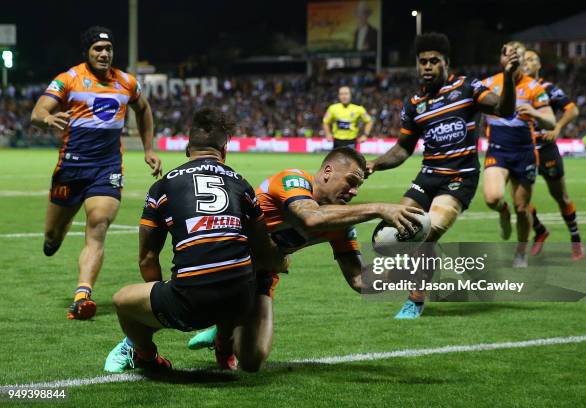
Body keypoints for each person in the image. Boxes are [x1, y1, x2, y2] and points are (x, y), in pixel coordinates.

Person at [188, 147, 425, 371]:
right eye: (351, 182)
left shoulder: (340, 224)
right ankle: (224, 333)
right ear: (327, 172)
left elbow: (359, 278)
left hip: (262, 272)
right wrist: (378, 208)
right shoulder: (294, 180)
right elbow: (311, 218)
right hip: (225, 261)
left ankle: (226, 325)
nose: (354, 192)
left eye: (358, 186)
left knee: (251, 361)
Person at [104, 108, 286, 373]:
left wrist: (159, 301)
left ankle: (145, 355)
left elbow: (147, 258)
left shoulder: (162, 187)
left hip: (189, 303)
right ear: (224, 151)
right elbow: (261, 249)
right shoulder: (242, 185)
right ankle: (224, 344)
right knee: (232, 274)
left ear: (188, 149)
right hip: (241, 301)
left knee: (122, 301)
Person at [366, 32, 519, 319]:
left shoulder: (469, 88)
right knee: (399, 228)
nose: (427, 66)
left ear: (447, 63)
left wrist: (508, 77)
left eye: (434, 61)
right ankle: (405, 275)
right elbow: (402, 149)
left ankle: (415, 299)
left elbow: (505, 109)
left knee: (426, 235)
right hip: (427, 177)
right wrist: (375, 164)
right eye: (422, 61)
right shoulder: (414, 104)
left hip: (459, 177)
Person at [30, 26, 162, 320]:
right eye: (97, 49)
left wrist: (148, 149)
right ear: (87, 52)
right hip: (71, 169)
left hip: (107, 168)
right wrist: (49, 117)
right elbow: (37, 113)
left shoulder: (127, 82)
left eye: (108, 49)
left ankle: (83, 294)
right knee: (52, 235)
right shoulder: (69, 79)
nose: (104, 54)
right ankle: (53, 239)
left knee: (98, 222)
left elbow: (144, 109)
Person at [481, 42, 556, 268]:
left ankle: (521, 252)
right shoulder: (488, 84)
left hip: (524, 153)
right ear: (501, 59)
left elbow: (551, 120)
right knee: (493, 198)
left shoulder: (534, 87)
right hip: (497, 150)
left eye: (518, 56)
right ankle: (503, 212)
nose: (513, 59)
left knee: (522, 208)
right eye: (508, 55)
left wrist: (534, 112)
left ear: (523, 61)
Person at [522, 49, 585, 260]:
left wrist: (557, 128)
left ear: (538, 66)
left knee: (561, 196)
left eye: (531, 59)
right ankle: (540, 230)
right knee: (519, 201)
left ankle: (576, 239)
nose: (526, 62)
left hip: (546, 148)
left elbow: (572, 110)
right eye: (523, 59)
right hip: (523, 149)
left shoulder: (547, 88)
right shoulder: (514, 90)